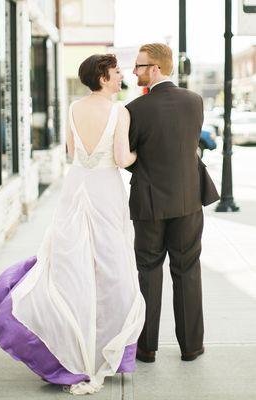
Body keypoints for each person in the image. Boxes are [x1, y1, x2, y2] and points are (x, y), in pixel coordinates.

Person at [0, 54, 145, 395]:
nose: (120, 78)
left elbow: (72, 149)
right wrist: (138, 155)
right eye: (116, 73)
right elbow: (120, 158)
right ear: (102, 77)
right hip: (105, 189)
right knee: (111, 265)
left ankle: (67, 343)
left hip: (77, 186)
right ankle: (102, 346)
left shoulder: (73, 108)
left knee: (70, 263)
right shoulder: (120, 111)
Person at [125, 43, 219, 364]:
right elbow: (187, 144)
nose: (134, 71)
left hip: (149, 204)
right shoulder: (194, 101)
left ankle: (146, 347)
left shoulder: (135, 109)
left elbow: (128, 156)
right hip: (189, 199)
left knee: (148, 271)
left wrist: (145, 166)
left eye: (139, 66)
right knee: (188, 270)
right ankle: (191, 346)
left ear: (155, 69)